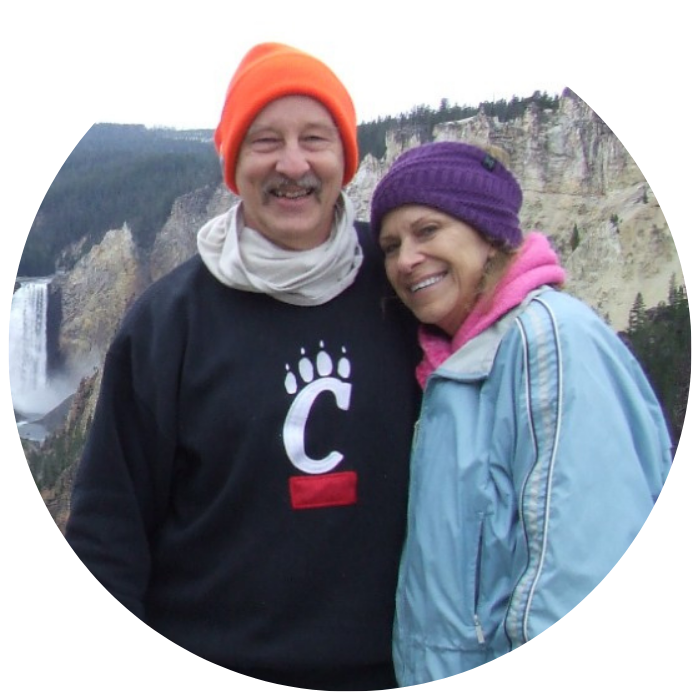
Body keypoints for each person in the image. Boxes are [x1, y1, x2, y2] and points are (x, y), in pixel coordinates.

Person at [65, 42, 421, 691]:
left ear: (346, 158)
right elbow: (107, 535)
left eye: (315, 137)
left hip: (401, 667)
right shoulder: (167, 324)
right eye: (264, 141)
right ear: (232, 165)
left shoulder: (404, 287)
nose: (293, 163)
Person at [369, 141, 672, 685]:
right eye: (390, 245)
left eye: (428, 230)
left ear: (488, 235)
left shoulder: (549, 344)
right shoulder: (453, 366)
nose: (405, 259)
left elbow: (574, 578)